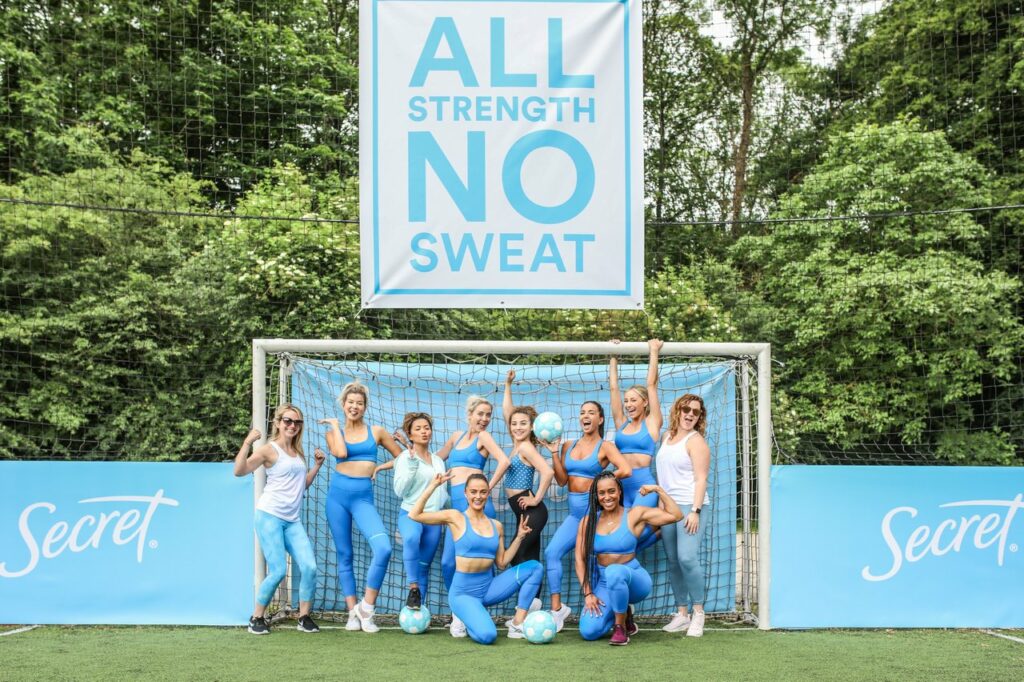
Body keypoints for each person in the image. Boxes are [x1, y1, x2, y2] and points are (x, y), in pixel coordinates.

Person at [409, 472, 543, 644]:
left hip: (488, 588)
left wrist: (519, 537)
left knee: (535, 568)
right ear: (466, 493)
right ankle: (465, 615)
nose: (478, 496)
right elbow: (415, 514)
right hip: (463, 594)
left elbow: (502, 563)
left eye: (482, 492)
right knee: (488, 636)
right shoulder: (455, 517)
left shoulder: (496, 526)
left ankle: (517, 624)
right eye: (473, 492)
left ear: (488, 493)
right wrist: (434, 485)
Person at [319, 380, 403, 633]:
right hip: (337, 497)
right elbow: (341, 454)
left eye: (359, 403)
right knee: (345, 555)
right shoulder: (333, 432)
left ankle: (366, 608)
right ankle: (351, 613)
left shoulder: (376, 431)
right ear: (343, 405)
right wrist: (335, 426)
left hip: (363, 498)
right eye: (350, 402)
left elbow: (402, 457)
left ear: (365, 407)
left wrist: (379, 466)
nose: (354, 406)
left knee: (383, 548)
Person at [234, 404, 324, 635]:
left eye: (297, 422)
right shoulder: (268, 450)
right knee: (277, 570)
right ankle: (256, 618)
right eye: (288, 421)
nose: (292, 425)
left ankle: (304, 617)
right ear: (278, 423)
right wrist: (247, 442)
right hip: (269, 516)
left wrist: (316, 466)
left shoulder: (298, 453)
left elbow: (301, 485)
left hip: (292, 521)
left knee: (310, 567)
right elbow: (240, 470)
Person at [543, 400, 631, 632]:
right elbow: (562, 480)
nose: (586, 416)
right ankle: (557, 608)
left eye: (591, 412)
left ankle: (615, 611)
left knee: (593, 562)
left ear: (600, 419)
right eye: (582, 412)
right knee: (552, 552)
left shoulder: (605, 446)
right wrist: (553, 453)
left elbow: (626, 469)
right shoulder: (568, 445)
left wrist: (600, 484)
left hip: (596, 515)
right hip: (575, 515)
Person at [575, 471, 683, 645]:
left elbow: (676, 515)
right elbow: (579, 560)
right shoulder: (587, 521)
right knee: (589, 632)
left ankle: (620, 628)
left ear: (619, 491)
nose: (607, 497)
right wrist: (588, 593)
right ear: (596, 496)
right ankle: (624, 612)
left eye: (611, 491)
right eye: (601, 493)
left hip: (635, 579)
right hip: (605, 583)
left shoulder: (635, 514)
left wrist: (658, 490)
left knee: (614, 572)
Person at [435, 394, 511, 636]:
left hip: (477, 508)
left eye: (488, 415)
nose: (485, 419)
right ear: (469, 414)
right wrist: (409, 453)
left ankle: (475, 611)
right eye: (480, 413)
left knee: (486, 564)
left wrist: (488, 487)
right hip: (457, 508)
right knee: (449, 562)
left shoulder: (484, 437)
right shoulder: (456, 437)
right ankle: (461, 611)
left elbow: (504, 461)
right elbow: (436, 459)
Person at [656, 393, 712, 637]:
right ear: (677, 411)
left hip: (691, 506)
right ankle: (681, 614)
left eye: (696, 412)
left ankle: (698, 613)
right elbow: (663, 477)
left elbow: (701, 479)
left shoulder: (696, 440)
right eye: (686, 409)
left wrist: (695, 511)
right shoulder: (665, 438)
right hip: (668, 508)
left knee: (687, 558)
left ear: (699, 417)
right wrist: (660, 506)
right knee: (673, 560)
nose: (690, 414)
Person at [501, 370, 555, 608]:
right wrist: (507, 385)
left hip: (532, 510)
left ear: (532, 427)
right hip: (521, 511)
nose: (517, 427)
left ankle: (531, 604)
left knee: (519, 557)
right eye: (514, 424)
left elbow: (548, 471)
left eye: (523, 424)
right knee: (530, 557)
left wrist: (536, 499)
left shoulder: (526, 448)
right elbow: (507, 413)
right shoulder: (517, 444)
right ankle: (534, 604)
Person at [609, 339, 664, 551]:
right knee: (624, 542)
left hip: (643, 489)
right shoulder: (621, 424)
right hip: (622, 489)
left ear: (645, 402)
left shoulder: (652, 424)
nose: (629, 404)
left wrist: (653, 351)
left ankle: (658, 528)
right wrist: (613, 355)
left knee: (626, 536)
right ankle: (656, 530)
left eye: (633, 400)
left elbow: (651, 384)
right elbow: (614, 388)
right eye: (627, 401)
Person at [391, 412, 447, 609]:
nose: (424, 431)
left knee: (424, 566)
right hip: (410, 514)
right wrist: (413, 465)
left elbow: (442, 494)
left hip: (433, 518)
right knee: (412, 538)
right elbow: (399, 491)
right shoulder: (405, 458)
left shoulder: (438, 461)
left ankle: (418, 610)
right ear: (410, 434)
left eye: (427, 427)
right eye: (418, 428)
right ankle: (413, 588)